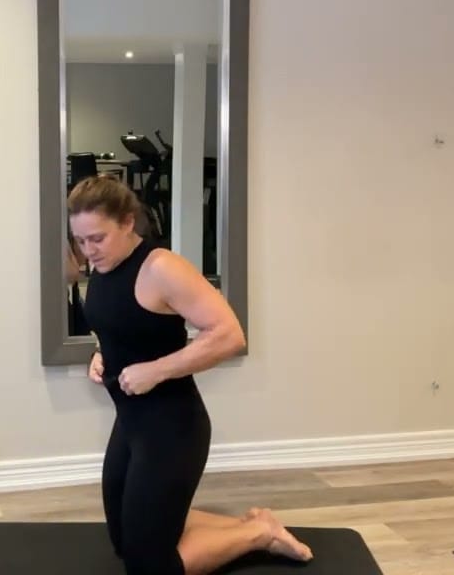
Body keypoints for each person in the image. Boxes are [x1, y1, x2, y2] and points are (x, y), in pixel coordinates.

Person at [68, 176, 314, 575]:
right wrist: (101, 353)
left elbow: (229, 334)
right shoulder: (104, 265)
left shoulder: (162, 267)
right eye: (80, 240)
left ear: (127, 222)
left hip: (173, 428)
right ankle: (245, 525)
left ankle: (260, 533)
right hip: (130, 424)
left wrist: (156, 370)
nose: (88, 250)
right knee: (122, 541)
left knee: (149, 566)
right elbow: (125, 325)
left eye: (97, 238)